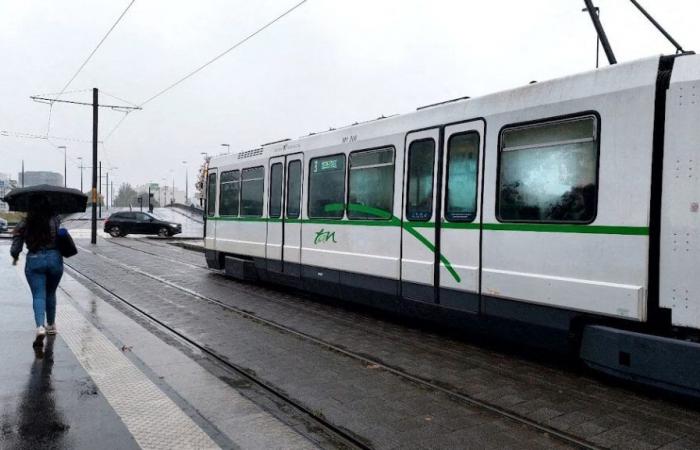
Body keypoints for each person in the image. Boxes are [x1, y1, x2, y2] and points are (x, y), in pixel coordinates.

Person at [10, 195, 63, 344]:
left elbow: (16, 245)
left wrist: (15, 256)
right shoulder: (55, 219)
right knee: (51, 293)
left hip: (34, 260)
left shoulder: (25, 222)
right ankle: (51, 325)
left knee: (38, 295)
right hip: (54, 259)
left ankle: (40, 326)